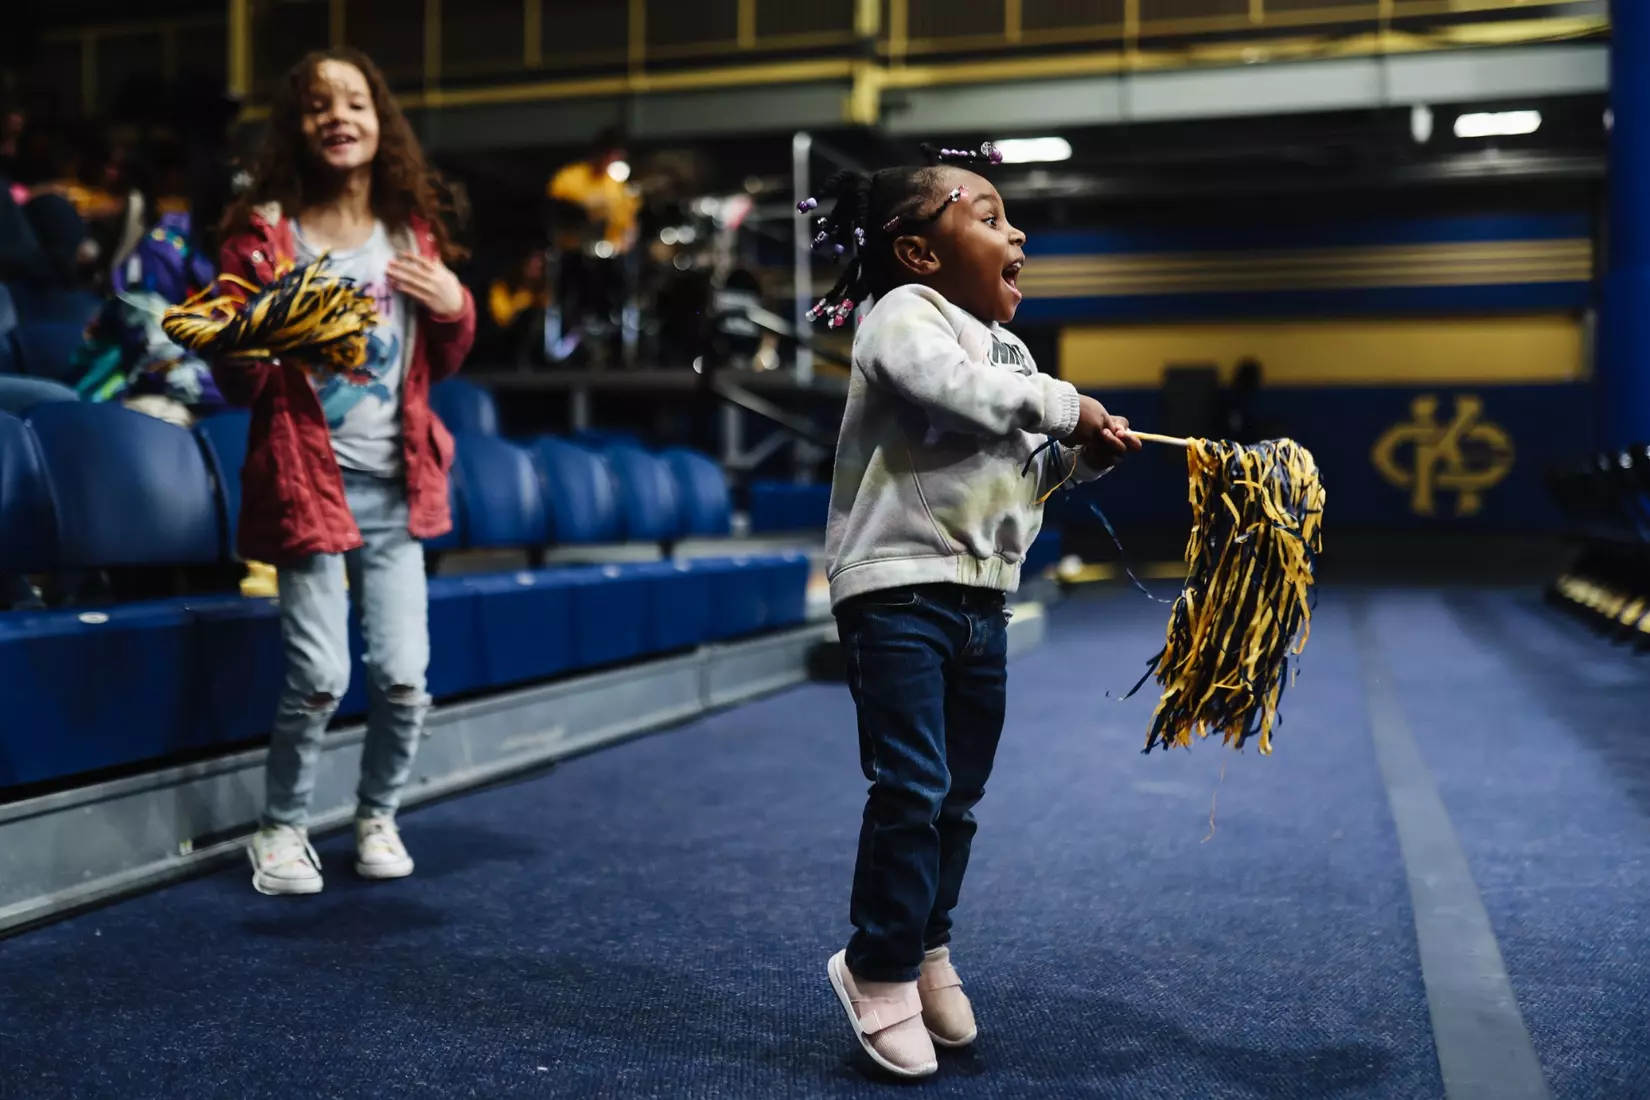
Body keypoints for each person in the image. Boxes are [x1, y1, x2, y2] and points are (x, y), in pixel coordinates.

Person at [800, 143, 1139, 1078]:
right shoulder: (901, 315)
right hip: (898, 588)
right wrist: (1061, 404)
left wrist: (1080, 456)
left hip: (985, 598)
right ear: (919, 251)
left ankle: (926, 945)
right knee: (911, 787)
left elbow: (1022, 471)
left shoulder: (1013, 352)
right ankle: (876, 966)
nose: (1015, 233)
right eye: (988, 217)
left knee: (958, 794)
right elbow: (952, 393)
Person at [212, 48, 476, 897]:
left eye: (355, 102)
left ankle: (377, 814)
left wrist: (456, 307)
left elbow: (443, 356)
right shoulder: (265, 235)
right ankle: (281, 828)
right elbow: (236, 378)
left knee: (403, 677)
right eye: (318, 104)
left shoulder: (409, 232)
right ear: (296, 127)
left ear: (379, 122)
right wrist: (252, 337)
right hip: (306, 488)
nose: (339, 117)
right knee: (321, 678)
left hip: (398, 489)